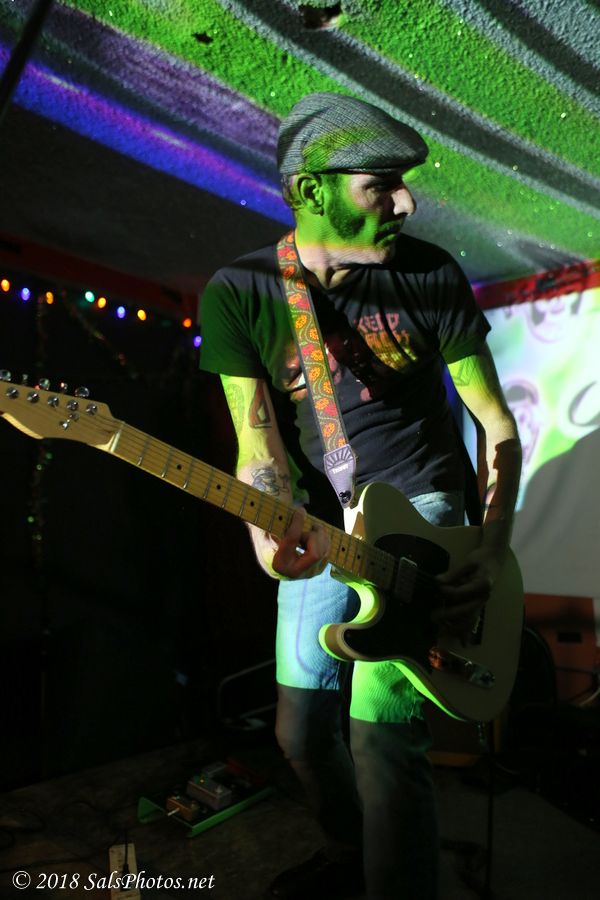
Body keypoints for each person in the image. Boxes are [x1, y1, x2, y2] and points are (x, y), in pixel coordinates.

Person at [199, 93, 522, 900]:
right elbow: (257, 445)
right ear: (311, 190)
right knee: (299, 731)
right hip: (323, 523)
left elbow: (496, 424)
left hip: (426, 508)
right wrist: (264, 537)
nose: (407, 203)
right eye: (382, 184)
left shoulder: (428, 273)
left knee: (381, 738)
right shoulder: (239, 291)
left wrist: (490, 543)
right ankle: (353, 851)